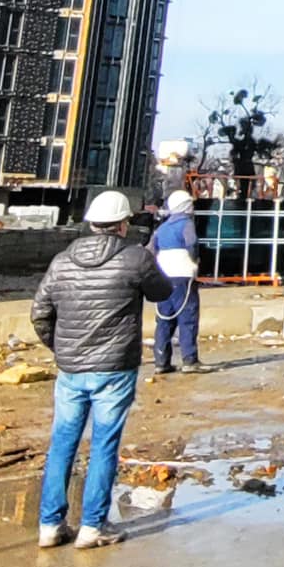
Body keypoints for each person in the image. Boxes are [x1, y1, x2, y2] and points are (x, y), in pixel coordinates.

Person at [30, 191, 172, 549]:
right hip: (115, 368)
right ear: (123, 224)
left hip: (71, 369)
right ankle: (93, 526)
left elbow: (40, 313)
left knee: (62, 444)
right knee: (104, 445)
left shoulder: (62, 261)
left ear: (92, 224)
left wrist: (62, 349)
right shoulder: (135, 258)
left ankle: (50, 525)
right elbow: (162, 291)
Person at [151, 190, 202, 374]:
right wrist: (195, 261)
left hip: (163, 277)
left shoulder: (162, 228)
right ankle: (189, 360)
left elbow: (152, 250)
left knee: (164, 319)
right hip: (183, 276)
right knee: (187, 319)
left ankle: (161, 362)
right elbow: (192, 244)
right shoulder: (186, 224)